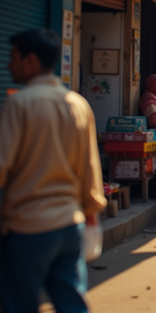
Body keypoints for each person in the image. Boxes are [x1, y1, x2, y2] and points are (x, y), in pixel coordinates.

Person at [0, 29, 107, 313]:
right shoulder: (78, 104)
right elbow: (89, 168)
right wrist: (91, 215)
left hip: (28, 226)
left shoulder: (19, 104)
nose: (9, 65)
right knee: (71, 302)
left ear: (31, 61)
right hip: (70, 227)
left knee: (18, 303)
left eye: (13, 58)